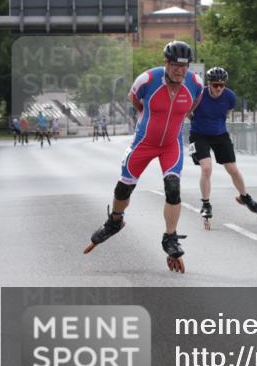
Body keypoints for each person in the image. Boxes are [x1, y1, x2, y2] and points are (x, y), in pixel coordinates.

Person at [83, 41, 204, 273]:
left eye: (184, 66)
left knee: (173, 188)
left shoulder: (195, 84)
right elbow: (135, 100)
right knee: (123, 188)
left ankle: (170, 237)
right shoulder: (147, 80)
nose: (179, 70)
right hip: (144, 142)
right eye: (175, 65)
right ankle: (115, 221)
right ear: (166, 63)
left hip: (171, 145)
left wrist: (181, 115)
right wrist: (148, 115)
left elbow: (195, 102)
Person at [189, 66, 257, 228]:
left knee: (233, 169)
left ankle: (245, 197)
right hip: (199, 134)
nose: (218, 88)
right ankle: (206, 204)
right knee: (206, 168)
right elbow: (189, 112)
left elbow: (225, 113)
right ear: (209, 84)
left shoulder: (230, 97)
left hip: (219, 134)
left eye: (221, 85)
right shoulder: (199, 95)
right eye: (215, 85)